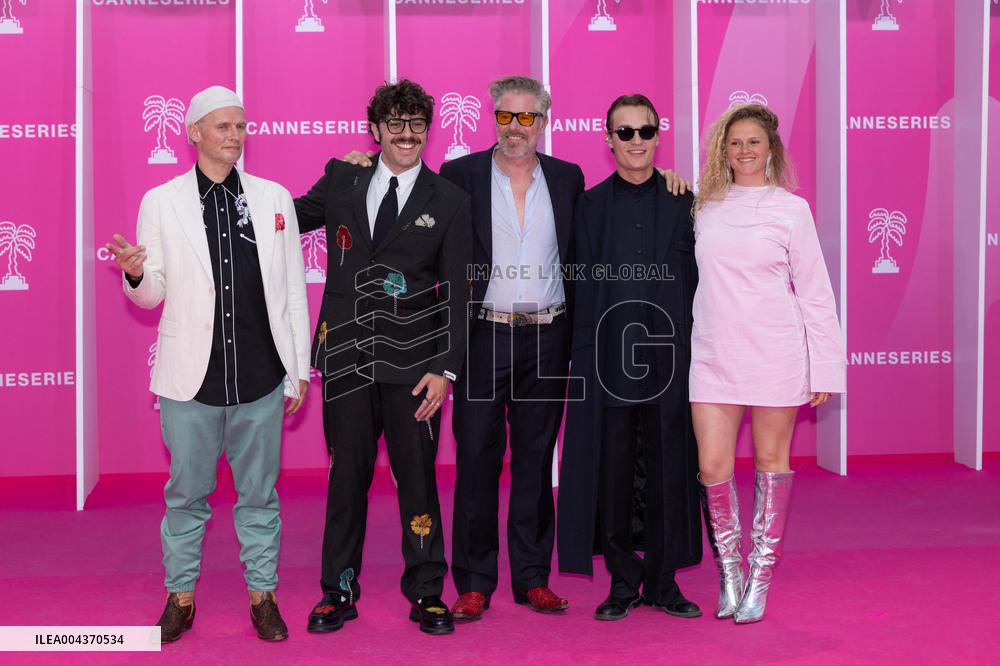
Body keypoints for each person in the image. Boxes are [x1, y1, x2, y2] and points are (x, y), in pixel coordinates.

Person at [343, 77, 690, 623]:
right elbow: (403, 179)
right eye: (506, 117)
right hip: (482, 336)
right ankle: (475, 581)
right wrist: (362, 163)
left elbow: (623, 196)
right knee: (477, 459)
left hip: (549, 337)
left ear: (543, 122)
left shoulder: (569, 179)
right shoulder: (459, 177)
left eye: (528, 118)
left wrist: (666, 177)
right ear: (494, 119)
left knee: (534, 462)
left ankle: (532, 578)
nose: (516, 128)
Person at [108, 85, 311, 643]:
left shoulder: (274, 198)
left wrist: (298, 367)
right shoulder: (162, 200)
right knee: (186, 495)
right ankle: (180, 596)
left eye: (241, 127)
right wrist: (133, 273)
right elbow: (151, 294)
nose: (235, 137)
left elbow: (293, 288)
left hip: (263, 373)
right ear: (194, 132)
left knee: (260, 495)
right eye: (223, 127)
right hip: (189, 378)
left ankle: (263, 595)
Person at [294, 80, 472, 636]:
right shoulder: (342, 179)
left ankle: (426, 591)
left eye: (417, 124)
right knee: (345, 478)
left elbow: (460, 293)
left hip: (414, 366)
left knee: (417, 480)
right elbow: (286, 218)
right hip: (346, 359)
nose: (407, 134)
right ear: (374, 130)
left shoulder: (449, 200)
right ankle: (337, 591)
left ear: (427, 130)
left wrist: (445, 369)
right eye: (395, 123)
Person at [691, 103, 845, 624]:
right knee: (712, 468)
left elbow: (816, 293)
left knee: (770, 464)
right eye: (735, 142)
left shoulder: (791, 209)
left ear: (771, 148)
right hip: (713, 352)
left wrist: (823, 367)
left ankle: (761, 572)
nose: (744, 151)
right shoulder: (702, 206)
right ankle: (730, 571)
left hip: (776, 352)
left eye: (754, 141)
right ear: (723, 150)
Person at [558, 94, 703, 622]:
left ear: (659, 136)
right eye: (625, 132)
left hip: (673, 362)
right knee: (613, 473)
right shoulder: (588, 207)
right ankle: (623, 582)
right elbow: (575, 288)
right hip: (609, 362)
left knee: (669, 470)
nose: (636, 141)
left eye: (645, 131)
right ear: (607, 139)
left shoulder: (687, 203)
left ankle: (664, 582)